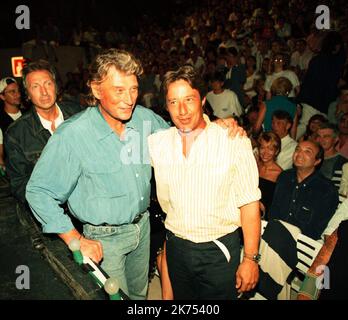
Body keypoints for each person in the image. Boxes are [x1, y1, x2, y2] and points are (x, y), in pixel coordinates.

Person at [25, 49, 242, 300]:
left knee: (138, 297)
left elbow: (182, 132)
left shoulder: (143, 119)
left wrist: (215, 124)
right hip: (104, 241)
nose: (129, 99)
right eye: (119, 90)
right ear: (96, 90)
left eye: (134, 89)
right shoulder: (73, 135)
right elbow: (38, 191)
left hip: (143, 229)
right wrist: (75, 240)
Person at [148, 65, 261, 300]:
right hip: (177, 247)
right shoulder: (157, 143)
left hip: (217, 250)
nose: (182, 110)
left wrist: (250, 259)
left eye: (189, 99)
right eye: (173, 102)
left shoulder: (232, 141)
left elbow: (249, 204)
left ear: (202, 99)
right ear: (166, 106)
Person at [4, 60, 82, 203]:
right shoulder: (16, 134)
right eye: (35, 86)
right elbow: (19, 185)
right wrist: (50, 210)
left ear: (56, 87)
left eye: (48, 84)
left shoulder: (79, 115)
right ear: (27, 94)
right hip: (50, 212)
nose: (44, 92)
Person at [269, 140, 339, 240]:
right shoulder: (285, 177)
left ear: (317, 161)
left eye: (307, 152)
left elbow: (318, 227)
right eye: (298, 149)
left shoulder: (326, 189)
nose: (299, 154)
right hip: (274, 235)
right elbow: (274, 210)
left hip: (302, 244)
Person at [257, 132, 282, 219]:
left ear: (276, 151)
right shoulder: (255, 166)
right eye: (262, 148)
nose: (265, 152)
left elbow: (277, 204)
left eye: (270, 149)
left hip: (264, 217)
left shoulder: (280, 174)